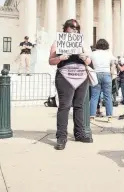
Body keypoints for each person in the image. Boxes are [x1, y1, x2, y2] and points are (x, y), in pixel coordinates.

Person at [48, 19, 93, 150]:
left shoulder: (82, 42)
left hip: (81, 76)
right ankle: (61, 137)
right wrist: (60, 58)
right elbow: (50, 61)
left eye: (77, 28)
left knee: (79, 106)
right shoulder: (58, 42)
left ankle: (79, 133)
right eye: (72, 27)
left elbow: (89, 61)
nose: (75, 29)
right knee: (65, 106)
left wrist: (85, 57)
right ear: (65, 28)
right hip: (65, 75)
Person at [89, 39, 117, 122]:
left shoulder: (93, 54)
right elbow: (113, 65)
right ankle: (109, 117)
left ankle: (92, 116)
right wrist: (112, 76)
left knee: (94, 96)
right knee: (108, 96)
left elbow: (89, 63)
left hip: (96, 73)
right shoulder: (109, 54)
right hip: (106, 73)